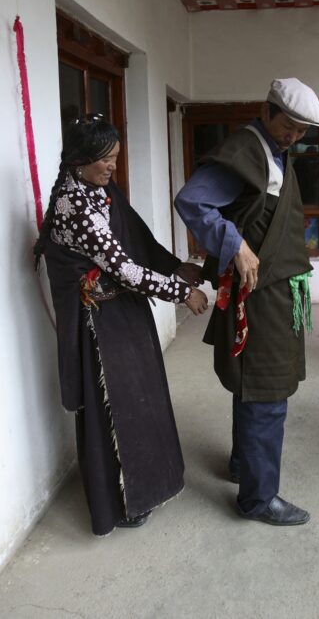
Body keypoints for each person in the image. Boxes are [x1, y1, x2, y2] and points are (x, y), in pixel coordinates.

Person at [34, 114, 208, 536]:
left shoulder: (99, 189)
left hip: (123, 313)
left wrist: (174, 266)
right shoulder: (75, 206)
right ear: (79, 159)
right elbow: (123, 268)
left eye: (115, 157)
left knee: (143, 400)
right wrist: (181, 292)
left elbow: (136, 236)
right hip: (100, 325)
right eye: (104, 159)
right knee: (119, 409)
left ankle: (147, 487)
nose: (113, 166)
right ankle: (120, 501)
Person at [174, 78, 319, 526]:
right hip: (260, 293)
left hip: (275, 289)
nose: (293, 137)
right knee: (266, 390)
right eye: (288, 126)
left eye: (302, 131)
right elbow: (193, 201)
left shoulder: (275, 153)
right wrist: (233, 242)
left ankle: (243, 464)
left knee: (252, 385)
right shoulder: (247, 149)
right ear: (267, 110)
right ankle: (258, 499)